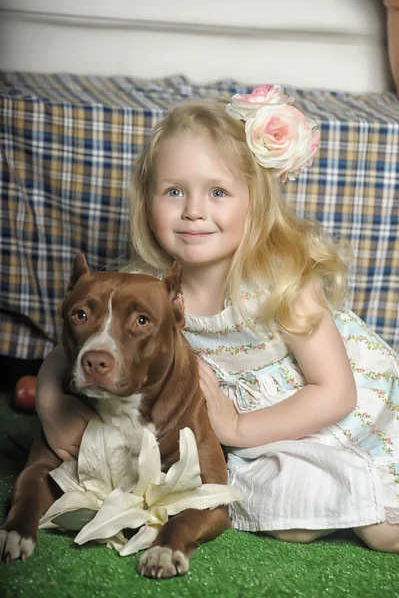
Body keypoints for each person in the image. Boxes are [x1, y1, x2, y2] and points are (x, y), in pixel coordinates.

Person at [36, 85, 399, 553]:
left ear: (256, 200)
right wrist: (51, 408)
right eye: (173, 191)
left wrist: (238, 431)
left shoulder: (281, 283)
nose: (193, 211)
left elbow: (336, 392)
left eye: (218, 191)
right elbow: (64, 352)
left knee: (379, 526)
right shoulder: (146, 287)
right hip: (245, 438)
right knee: (279, 518)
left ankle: (372, 505)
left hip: (336, 421)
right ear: (146, 200)